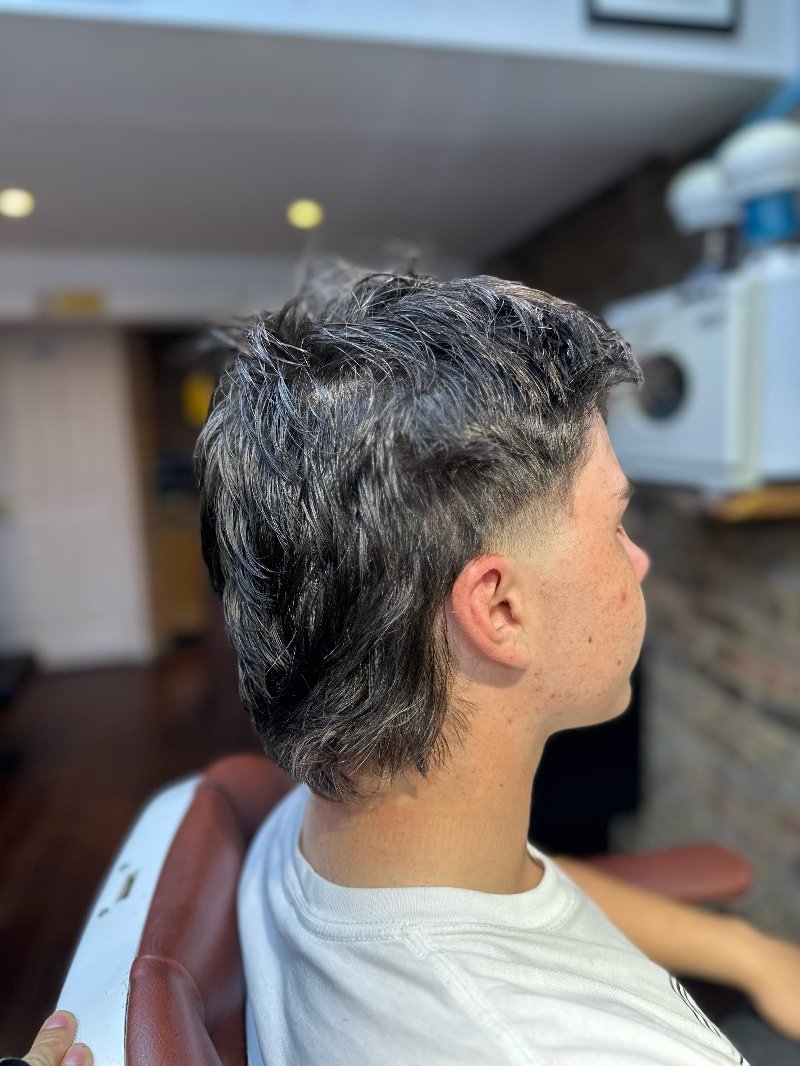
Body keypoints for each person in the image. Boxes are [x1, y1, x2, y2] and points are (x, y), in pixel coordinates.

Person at [11, 269, 800, 1065]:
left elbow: (528, 889)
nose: (639, 561)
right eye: (615, 525)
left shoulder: (337, 822)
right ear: (500, 609)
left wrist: (750, 955)